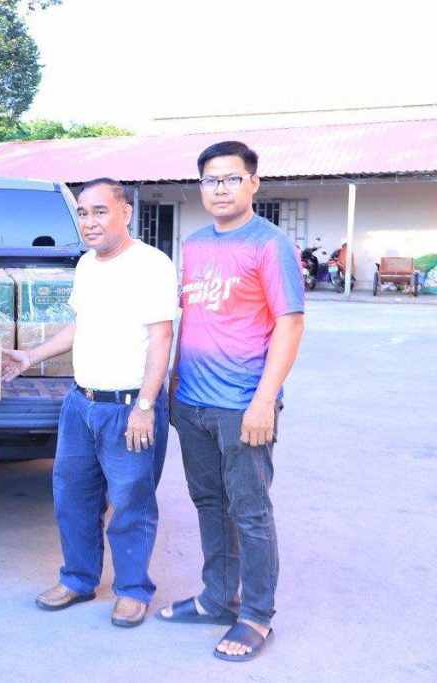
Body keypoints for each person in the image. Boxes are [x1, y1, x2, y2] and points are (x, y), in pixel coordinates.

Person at [2, 178, 177, 627]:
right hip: (81, 404)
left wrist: (145, 406)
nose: (89, 221)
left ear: (126, 213)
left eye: (100, 211)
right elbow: (80, 326)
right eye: (82, 213)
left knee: (131, 502)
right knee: (73, 497)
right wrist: (31, 356)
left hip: (128, 407)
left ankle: (132, 590)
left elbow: (162, 338)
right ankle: (79, 579)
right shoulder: (86, 265)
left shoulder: (151, 265)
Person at [157, 141, 305, 662]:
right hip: (192, 401)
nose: (219, 189)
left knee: (250, 511)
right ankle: (218, 598)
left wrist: (264, 401)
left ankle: (257, 615)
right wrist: (174, 381)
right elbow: (190, 319)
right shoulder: (195, 244)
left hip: (242, 404)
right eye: (210, 180)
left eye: (231, 178)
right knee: (208, 503)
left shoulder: (270, 244)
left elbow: (290, 323)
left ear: (252, 183)